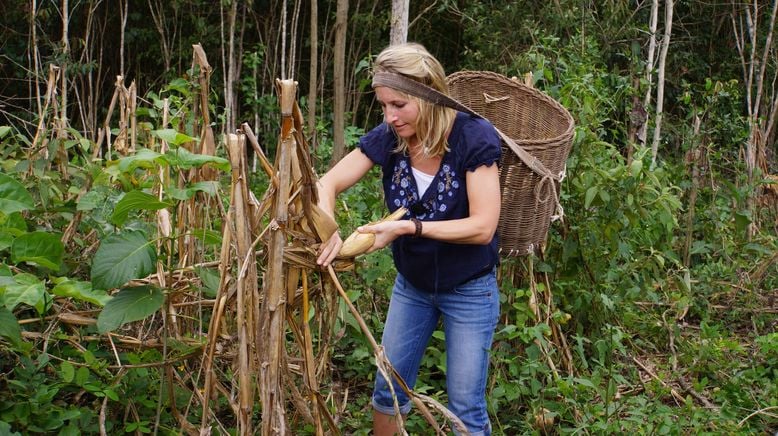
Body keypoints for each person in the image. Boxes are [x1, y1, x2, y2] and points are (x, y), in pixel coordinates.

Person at [316, 42, 501, 436]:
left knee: (465, 407)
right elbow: (328, 182)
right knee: (388, 391)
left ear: (429, 95)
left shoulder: (472, 137)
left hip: (469, 289)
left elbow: (483, 226)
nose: (390, 116)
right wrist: (328, 228)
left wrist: (406, 227)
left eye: (399, 104)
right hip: (413, 286)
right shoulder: (393, 137)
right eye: (384, 105)